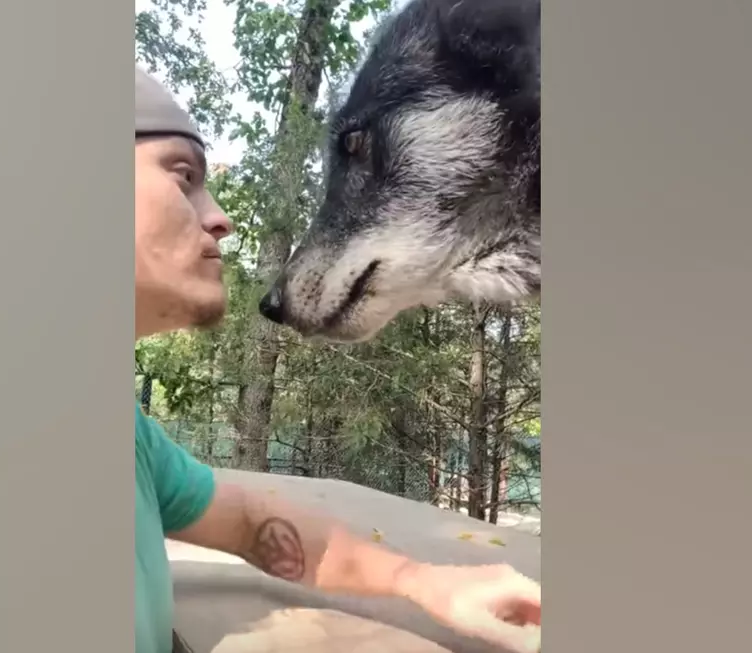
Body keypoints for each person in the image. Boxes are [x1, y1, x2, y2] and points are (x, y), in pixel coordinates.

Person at [133, 65, 542, 653]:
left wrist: (429, 583)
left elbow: (250, 522)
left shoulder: (134, 442)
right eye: (183, 176)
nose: (220, 217)